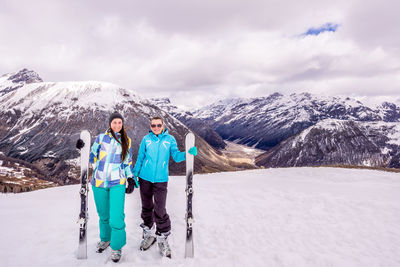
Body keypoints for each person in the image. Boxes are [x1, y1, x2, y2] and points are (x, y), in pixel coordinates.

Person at [76, 112, 138, 263]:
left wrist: (130, 178)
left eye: (119, 122)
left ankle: (116, 247)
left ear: (122, 124)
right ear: (110, 124)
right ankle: (106, 239)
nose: (117, 125)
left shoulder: (126, 141)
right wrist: (81, 148)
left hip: (117, 182)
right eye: (114, 122)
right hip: (99, 182)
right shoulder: (100, 138)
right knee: (103, 215)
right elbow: (91, 156)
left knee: (116, 216)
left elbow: (127, 162)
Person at [133, 116, 197, 258]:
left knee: (160, 209)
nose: (156, 128)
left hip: (161, 180)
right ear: (150, 126)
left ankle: (162, 238)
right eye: (153, 125)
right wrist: (135, 174)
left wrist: (187, 153)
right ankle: (149, 235)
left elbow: (176, 156)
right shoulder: (146, 139)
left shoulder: (169, 139)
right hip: (144, 178)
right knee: (146, 208)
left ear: (163, 125)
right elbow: (140, 157)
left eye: (158, 125)